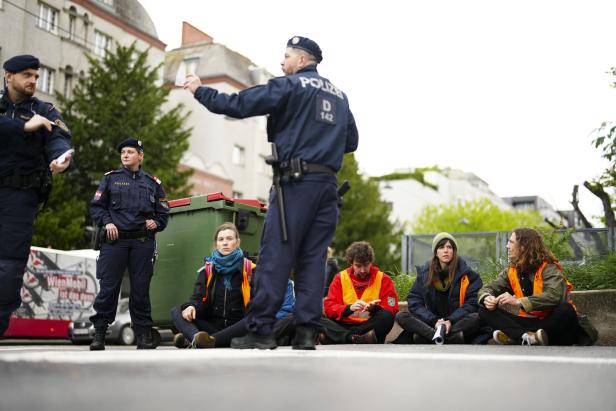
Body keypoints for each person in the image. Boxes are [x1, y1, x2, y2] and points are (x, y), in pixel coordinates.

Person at [184, 36, 358, 350]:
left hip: (295, 185)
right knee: (313, 260)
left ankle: (261, 330)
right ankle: (306, 333)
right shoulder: (341, 96)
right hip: (327, 188)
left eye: (287, 55)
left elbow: (236, 105)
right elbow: (351, 142)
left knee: (276, 257)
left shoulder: (288, 87)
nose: (282, 61)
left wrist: (199, 90)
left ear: (303, 60)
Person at [0, 55, 72, 337]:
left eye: (36, 76)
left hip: (20, 197)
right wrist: (21, 126)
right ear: (8, 76)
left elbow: (59, 139)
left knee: (8, 264)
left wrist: (61, 159)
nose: (33, 81)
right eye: (26, 75)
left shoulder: (44, 110)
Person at [89, 138, 169, 350]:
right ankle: (99, 335)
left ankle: (143, 335)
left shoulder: (153, 183)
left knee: (141, 290)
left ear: (140, 155)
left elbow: (163, 213)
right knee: (108, 288)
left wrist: (157, 222)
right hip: (115, 242)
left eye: (130, 151)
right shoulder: (110, 179)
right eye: (123, 151)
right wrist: (107, 223)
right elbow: (96, 207)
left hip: (142, 242)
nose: (125, 155)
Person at [170, 222, 296, 348]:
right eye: (221, 239)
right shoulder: (207, 270)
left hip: (241, 326)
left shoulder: (251, 269)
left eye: (229, 239)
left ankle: (208, 340)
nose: (225, 243)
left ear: (237, 242)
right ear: (216, 244)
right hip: (215, 325)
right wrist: (191, 306)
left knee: (256, 317)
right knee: (177, 311)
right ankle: (196, 338)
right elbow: (197, 298)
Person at [478, 227, 586, 346]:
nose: (507, 246)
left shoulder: (548, 267)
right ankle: (526, 336)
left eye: (511, 242)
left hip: (552, 324)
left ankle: (518, 337)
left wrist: (519, 302)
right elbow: (488, 288)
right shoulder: (511, 270)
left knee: (565, 309)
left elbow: (554, 295)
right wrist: (487, 298)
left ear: (524, 247)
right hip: (530, 324)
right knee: (484, 309)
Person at [395, 233, 482, 344]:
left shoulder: (469, 275)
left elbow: (472, 303)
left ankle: (427, 336)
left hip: (456, 322)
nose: (445, 250)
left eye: (449, 247)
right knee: (402, 316)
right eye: (441, 247)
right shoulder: (425, 274)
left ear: (454, 251)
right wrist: (434, 321)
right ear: (436, 252)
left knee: (476, 318)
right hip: (431, 323)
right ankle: (445, 337)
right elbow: (414, 301)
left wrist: (451, 320)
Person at [321, 242, 398, 344]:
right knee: (315, 315)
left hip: (369, 326)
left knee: (387, 316)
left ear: (371, 262)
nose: (362, 270)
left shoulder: (384, 279)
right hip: (344, 325)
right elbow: (329, 307)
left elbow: (392, 308)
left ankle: (342, 337)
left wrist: (375, 308)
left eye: (366, 265)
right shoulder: (340, 278)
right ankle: (354, 338)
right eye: (358, 266)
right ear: (351, 263)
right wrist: (348, 308)